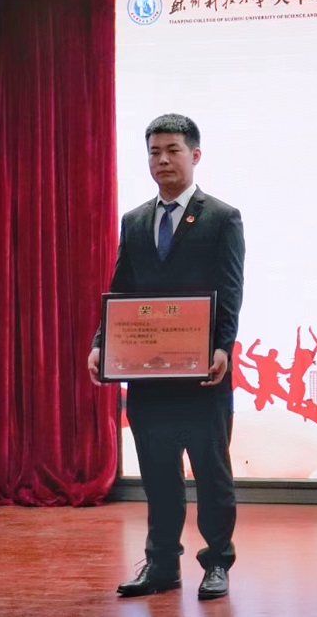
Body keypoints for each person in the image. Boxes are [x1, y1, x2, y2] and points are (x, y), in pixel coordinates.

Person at [87, 114, 245, 601]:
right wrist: (101, 344)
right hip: (148, 376)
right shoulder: (135, 220)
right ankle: (161, 565)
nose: (162, 160)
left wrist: (222, 346)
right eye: (154, 152)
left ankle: (216, 562)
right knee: (157, 474)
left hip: (203, 374)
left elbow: (231, 289)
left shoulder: (222, 217)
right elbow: (120, 290)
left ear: (194, 155)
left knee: (211, 474)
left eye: (172, 150)